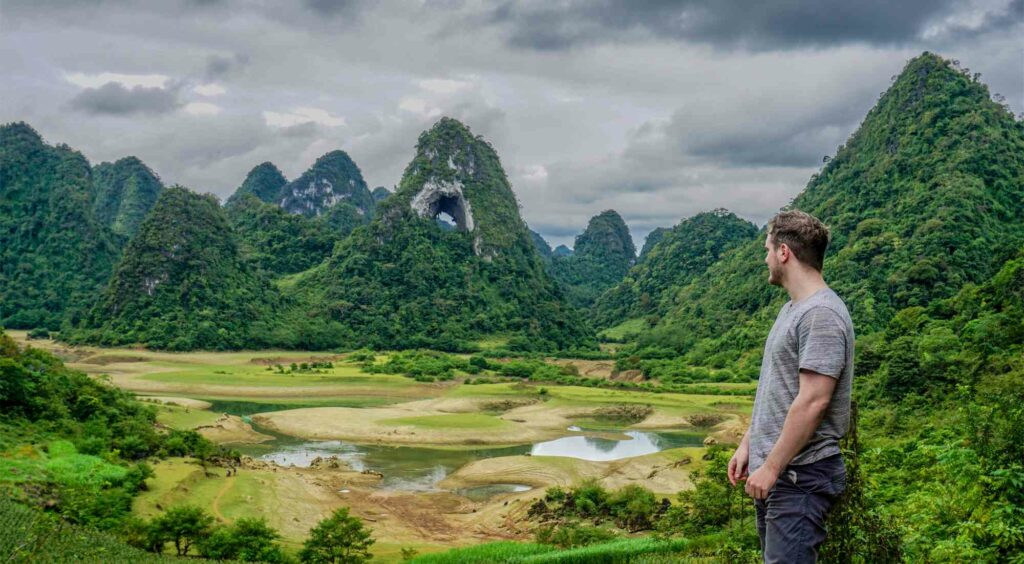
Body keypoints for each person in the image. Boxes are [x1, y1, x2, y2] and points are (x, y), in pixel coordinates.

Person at [727, 210, 854, 563]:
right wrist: (749, 444)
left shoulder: (821, 314)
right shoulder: (792, 310)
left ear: (784, 252)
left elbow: (813, 402)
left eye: (767, 249)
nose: (765, 259)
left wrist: (771, 467)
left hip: (801, 475)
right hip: (782, 473)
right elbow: (778, 390)